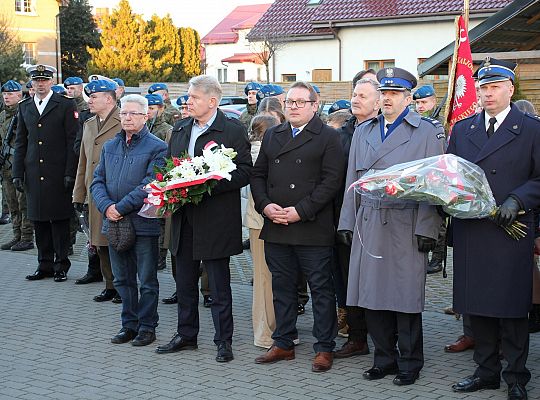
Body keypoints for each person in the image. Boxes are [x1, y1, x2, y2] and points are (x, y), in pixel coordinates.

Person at [338, 67, 445, 386]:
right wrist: (347, 221)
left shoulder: (427, 131)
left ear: (409, 98)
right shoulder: (363, 130)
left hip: (406, 222)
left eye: (394, 93)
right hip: (369, 223)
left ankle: (410, 361)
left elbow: (434, 184)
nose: (387, 99)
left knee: (404, 296)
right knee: (371, 295)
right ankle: (383, 358)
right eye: (383, 93)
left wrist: (428, 228)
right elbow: (352, 181)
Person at [449, 58, 540, 400]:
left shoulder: (531, 129)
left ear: (510, 89)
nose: (487, 94)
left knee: (512, 308)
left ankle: (516, 375)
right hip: (475, 228)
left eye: (494, 87)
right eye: (483, 88)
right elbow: (452, 177)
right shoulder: (463, 130)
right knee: (479, 306)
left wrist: (517, 199)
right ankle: (486, 372)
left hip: (511, 227)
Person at [156, 75, 251, 363]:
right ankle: (186, 335)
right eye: (188, 95)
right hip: (183, 218)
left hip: (216, 220)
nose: (188, 101)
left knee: (219, 286)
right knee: (184, 282)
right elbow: (172, 166)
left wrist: (206, 183)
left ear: (212, 101)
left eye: (194, 97)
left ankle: (224, 341)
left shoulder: (232, 130)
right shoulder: (181, 127)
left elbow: (245, 171)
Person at [251, 81, 345, 373]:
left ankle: (324, 347)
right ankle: (283, 342)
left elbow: (332, 182)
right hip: (277, 223)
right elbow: (258, 175)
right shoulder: (273, 135)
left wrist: (300, 212)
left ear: (314, 106)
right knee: (282, 286)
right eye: (289, 102)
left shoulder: (329, 137)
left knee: (320, 289)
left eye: (300, 102)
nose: (292, 107)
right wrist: (265, 206)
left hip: (311, 225)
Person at [91, 94, 167, 346]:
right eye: (124, 113)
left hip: (143, 224)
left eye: (133, 113)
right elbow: (97, 181)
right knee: (122, 279)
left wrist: (120, 207)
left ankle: (147, 326)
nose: (127, 118)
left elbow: (150, 184)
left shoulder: (157, 147)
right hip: (114, 223)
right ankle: (129, 325)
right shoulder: (110, 146)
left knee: (146, 280)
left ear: (146, 116)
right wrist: (107, 207)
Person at [13, 64, 79, 282]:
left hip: (58, 172)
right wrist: (17, 172)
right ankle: (44, 265)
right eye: (36, 81)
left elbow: (72, 141)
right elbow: (21, 142)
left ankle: (61, 265)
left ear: (51, 81)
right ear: (31, 83)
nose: (40, 84)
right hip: (33, 172)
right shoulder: (24, 107)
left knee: (59, 221)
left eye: (44, 80)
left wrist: (70, 172)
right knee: (39, 221)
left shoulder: (65, 104)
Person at [334, 77, 380, 358]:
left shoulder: (385, 131)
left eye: (363, 95)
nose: (356, 99)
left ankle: (387, 336)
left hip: (377, 219)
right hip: (344, 218)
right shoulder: (341, 133)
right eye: (354, 94)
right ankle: (357, 336)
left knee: (375, 280)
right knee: (347, 281)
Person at [73, 79, 121, 303]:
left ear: (109, 99)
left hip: (117, 193)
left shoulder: (124, 121)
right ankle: (110, 285)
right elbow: (83, 162)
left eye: (94, 97)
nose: (89, 100)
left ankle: (124, 286)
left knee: (119, 242)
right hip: (95, 193)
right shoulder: (89, 124)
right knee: (99, 241)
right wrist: (78, 193)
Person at [244, 114, 280, 348]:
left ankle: (270, 330)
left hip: (260, 223)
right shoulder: (262, 154)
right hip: (264, 222)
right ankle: (265, 333)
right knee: (266, 280)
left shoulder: (253, 152)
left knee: (265, 279)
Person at [413, 84, 447, 275]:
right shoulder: (416, 121)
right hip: (419, 175)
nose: (420, 106)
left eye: (424, 102)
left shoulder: (441, 122)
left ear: (434, 101)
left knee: (438, 222)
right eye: (417, 102)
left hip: (437, 175)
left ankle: (437, 258)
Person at [0, 80, 34, 251]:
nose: (6, 97)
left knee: (23, 203)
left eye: (10, 93)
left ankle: (27, 237)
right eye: (5, 94)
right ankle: (16, 235)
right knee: (11, 203)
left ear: (19, 95)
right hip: (6, 166)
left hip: (20, 166)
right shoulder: (2, 116)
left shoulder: (25, 112)